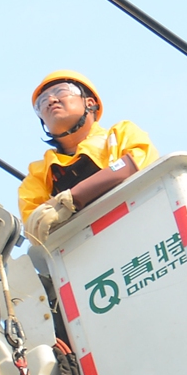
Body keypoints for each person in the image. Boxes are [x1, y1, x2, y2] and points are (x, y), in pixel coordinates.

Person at [17, 71, 156, 245]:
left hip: (143, 227)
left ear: (89, 102)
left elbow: (132, 166)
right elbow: (36, 227)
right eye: (42, 101)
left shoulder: (120, 134)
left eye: (61, 92)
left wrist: (71, 199)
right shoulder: (39, 175)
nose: (51, 101)